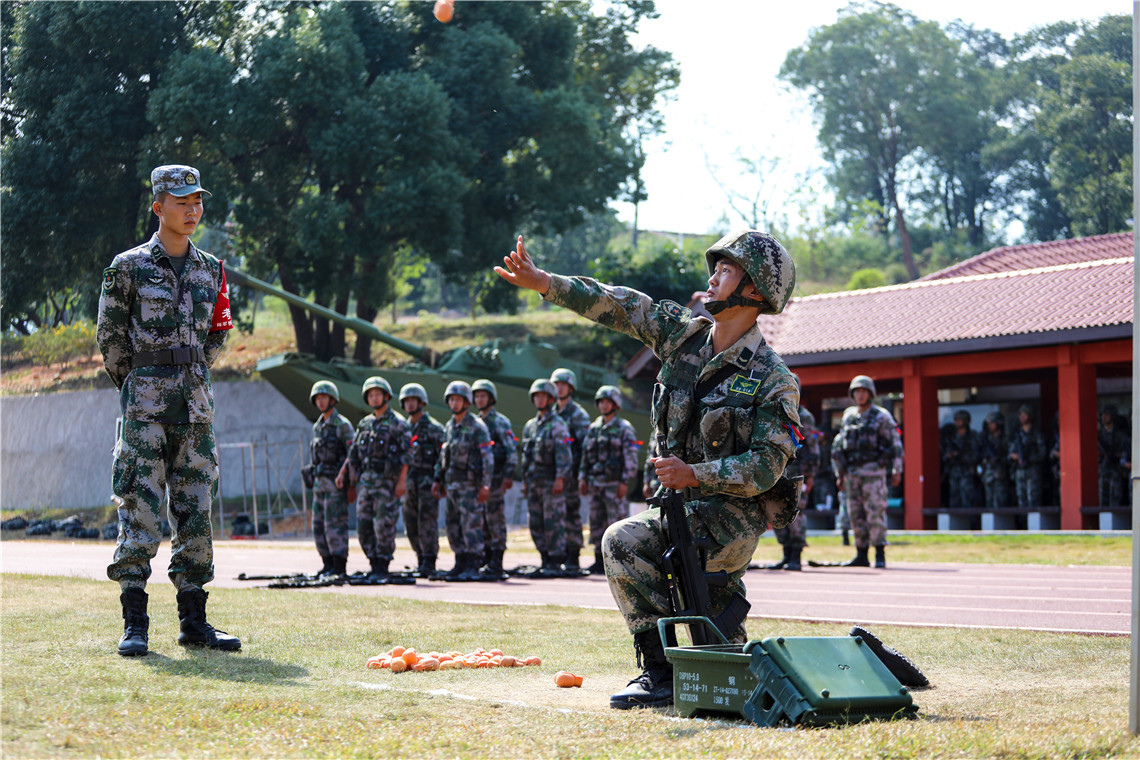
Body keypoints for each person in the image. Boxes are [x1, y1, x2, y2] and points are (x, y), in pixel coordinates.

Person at [496, 230, 802, 710]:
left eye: (726, 271)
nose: (712, 278)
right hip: (676, 510)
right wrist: (545, 283)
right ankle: (659, 672)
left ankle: (695, 664)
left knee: (634, 551)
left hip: (730, 521)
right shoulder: (682, 336)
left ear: (756, 291)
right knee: (629, 550)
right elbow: (623, 305)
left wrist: (696, 475)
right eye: (715, 268)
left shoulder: (773, 379)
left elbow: (766, 466)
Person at [97, 163, 239, 656]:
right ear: (158, 207)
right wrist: (141, 384)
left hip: (195, 410)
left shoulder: (211, 268)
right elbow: (110, 339)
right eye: (182, 202)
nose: (192, 210)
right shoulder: (127, 266)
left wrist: (191, 370)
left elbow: (219, 330)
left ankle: (194, 622)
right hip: (144, 409)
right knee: (139, 510)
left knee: (196, 512)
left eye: (197, 201)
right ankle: (135, 623)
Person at [340, 377, 410, 580]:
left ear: (386, 396)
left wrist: (401, 481)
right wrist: (349, 480)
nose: (374, 398)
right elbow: (353, 454)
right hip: (366, 484)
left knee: (384, 525)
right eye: (370, 395)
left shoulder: (398, 423)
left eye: (378, 394)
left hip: (387, 484)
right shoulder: (365, 424)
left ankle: (383, 564)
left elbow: (407, 455)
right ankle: (373, 562)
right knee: (363, 526)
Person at [831, 375, 903, 569]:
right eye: (857, 391)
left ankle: (880, 553)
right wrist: (840, 474)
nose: (860, 395)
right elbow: (840, 446)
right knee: (855, 515)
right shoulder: (849, 416)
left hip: (874, 473)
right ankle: (861, 554)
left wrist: (897, 470)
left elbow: (895, 444)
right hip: (852, 474)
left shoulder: (882, 416)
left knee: (875, 513)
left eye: (864, 391)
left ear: (870, 394)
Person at [432, 381, 493, 581]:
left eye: (458, 399)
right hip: (452, 486)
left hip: (470, 487)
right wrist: (437, 479)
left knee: (471, 526)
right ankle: (460, 562)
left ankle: (473, 564)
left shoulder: (477, 426)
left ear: (467, 402)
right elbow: (443, 457)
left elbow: (487, 457)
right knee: (453, 525)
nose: (454, 403)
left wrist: (485, 484)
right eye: (451, 399)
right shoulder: (449, 427)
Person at [579, 385, 640, 575]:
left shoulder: (624, 428)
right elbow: (586, 456)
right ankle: (599, 560)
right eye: (601, 402)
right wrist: (583, 477)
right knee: (596, 522)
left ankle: (617, 561)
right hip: (596, 484)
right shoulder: (594, 428)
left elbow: (631, 457)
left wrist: (624, 481)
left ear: (615, 404)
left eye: (607, 402)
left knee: (615, 522)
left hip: (614, 485)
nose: (604, 405)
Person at [520, 379, 573, 576]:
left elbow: (564, 454)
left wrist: (560, 478)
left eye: (544, 396)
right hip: (534, 481)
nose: (540, 399)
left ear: (551, 399)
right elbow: (526, 456)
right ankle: (544, 559)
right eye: (537, 396)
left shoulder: (558, 425)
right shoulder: (530, 426)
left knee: (553, 522)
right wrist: (525, 481)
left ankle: (555, 561)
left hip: (551, 481)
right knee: (536, 522)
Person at [306, 380, 355, 577]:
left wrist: (349, 481)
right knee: (318, 526)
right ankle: (327, 563)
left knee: (335, 525)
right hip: (320, 484)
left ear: (333, 399)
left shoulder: (342, 425)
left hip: (336, 484)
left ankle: (339, 565)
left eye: (324, 397)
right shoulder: (318, 426)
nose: (320, 401)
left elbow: (353, 454)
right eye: (317, 398)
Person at [770, 374, 819, 571]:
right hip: (776, 471)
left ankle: (796, 555)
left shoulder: (805, 416)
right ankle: (786, 553)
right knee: (775, 511)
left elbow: (813, 448)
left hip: (797, 471)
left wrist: (811, 475)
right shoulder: (775, 412)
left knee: (795, 513)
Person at [472, 379, 518, 580]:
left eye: (483, 395)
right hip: (478, 480)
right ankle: (486, 558)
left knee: (495, 520)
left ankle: (497, 562)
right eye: (476, 396)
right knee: (481, 520)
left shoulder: (500, 422)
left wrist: (508, 475)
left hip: (496, 479)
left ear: (491, 398)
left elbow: (511, 450)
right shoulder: (474, 421)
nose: (479, 399)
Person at [399, 383, 446, 577]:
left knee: (427, 522)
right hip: (409, 483)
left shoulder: (434, 428)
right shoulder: (403, 428)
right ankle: (419, 558)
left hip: (428, 482)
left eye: (413, 400)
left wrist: (439, 479)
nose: (410, 404)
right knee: (410, 522)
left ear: (421, 402)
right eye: (407, 401)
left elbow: (442, 457)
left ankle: (429, 560)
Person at [550, 367, 592, 574]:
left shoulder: (578, 414)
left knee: (571, 515)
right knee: (555, 516)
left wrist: (582, 475)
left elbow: (586, 448)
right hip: (555, 475)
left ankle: (573, 555)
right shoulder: (551, 413)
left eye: (562, 385)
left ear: (571, 388)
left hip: (572, 474)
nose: (559, 388)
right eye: (556, 385)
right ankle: (558, 555)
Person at [1008, 404, 1046, 508]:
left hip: (1033, 471)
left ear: (1031, 416)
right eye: (1021, 415)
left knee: (1033, 500)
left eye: (1025, 415)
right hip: (1020, 471)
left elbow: (1042, 454)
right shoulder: (1017, 434)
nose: (1022, 417)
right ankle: (1024, 524)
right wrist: (1014, 456)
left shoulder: (1036, 434)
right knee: (1021, 500)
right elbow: (1010, 453)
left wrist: (1028, 458)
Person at [942, 410, 981, 508]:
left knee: (968, 499)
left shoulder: (973, 437)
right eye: (956, 420)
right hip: (954, 472)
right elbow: (944, 455)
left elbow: (977, 455)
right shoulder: (952, 437)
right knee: (954, 499)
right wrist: (950, 455)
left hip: (967, 472)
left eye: (960, 420)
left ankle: (971, 522)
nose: (957, 422)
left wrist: (962, 456)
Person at [1098, 405, 1131, 507]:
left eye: (1107, 415)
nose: (1104, 417)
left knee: (1115, 499)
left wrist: (1118, 457)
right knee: (1103, 500)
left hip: (1117, 471)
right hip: (1104, 470)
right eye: (1102, 415)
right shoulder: (1099, 435)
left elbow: (1126, 453)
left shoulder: (1121, 436)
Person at [980, 412, 1011, 509]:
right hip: (988, 475)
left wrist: (1001, 459)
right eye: (989, 424)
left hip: (1000, 474)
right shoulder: (987, 439)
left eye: (992, 423)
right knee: (989, 503)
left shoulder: (1005, 439)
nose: (990, 426)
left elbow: (1010, 456)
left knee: (1001, 503)